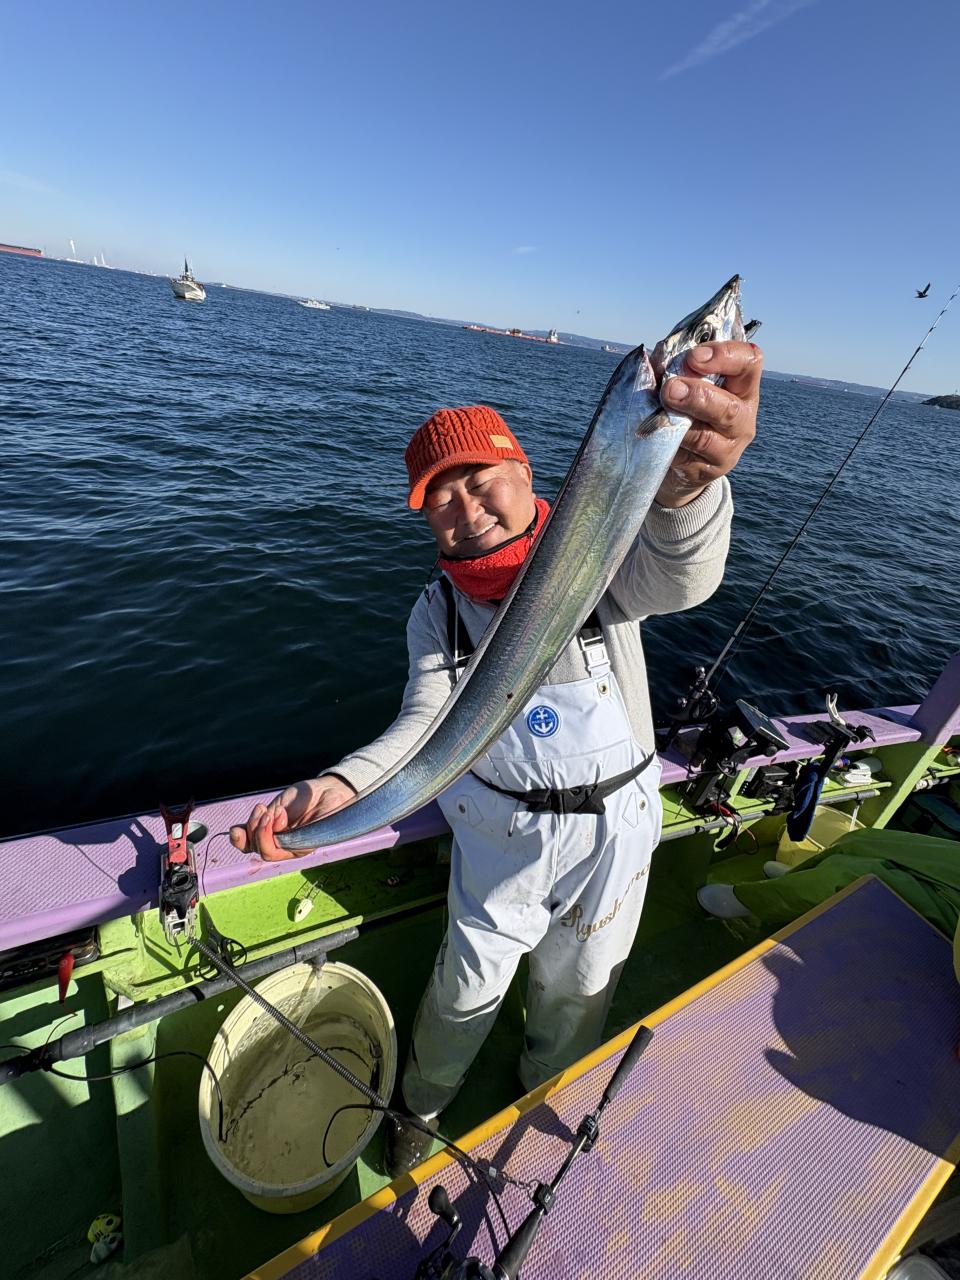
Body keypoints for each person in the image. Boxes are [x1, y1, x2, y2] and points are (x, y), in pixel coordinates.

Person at [230, 340, 763, 1175]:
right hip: (499, 844)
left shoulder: (597, 559)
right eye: (440, 499)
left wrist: (688, 488)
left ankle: (544, 1096)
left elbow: (683, 576)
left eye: (481, 480)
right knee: (460, 994)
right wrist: (342, 785)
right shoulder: (437, 614)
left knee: (580, 993)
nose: (466, 508)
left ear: (524, 472)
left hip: (616, 836)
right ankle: (422, 1103)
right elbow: (423, 725)